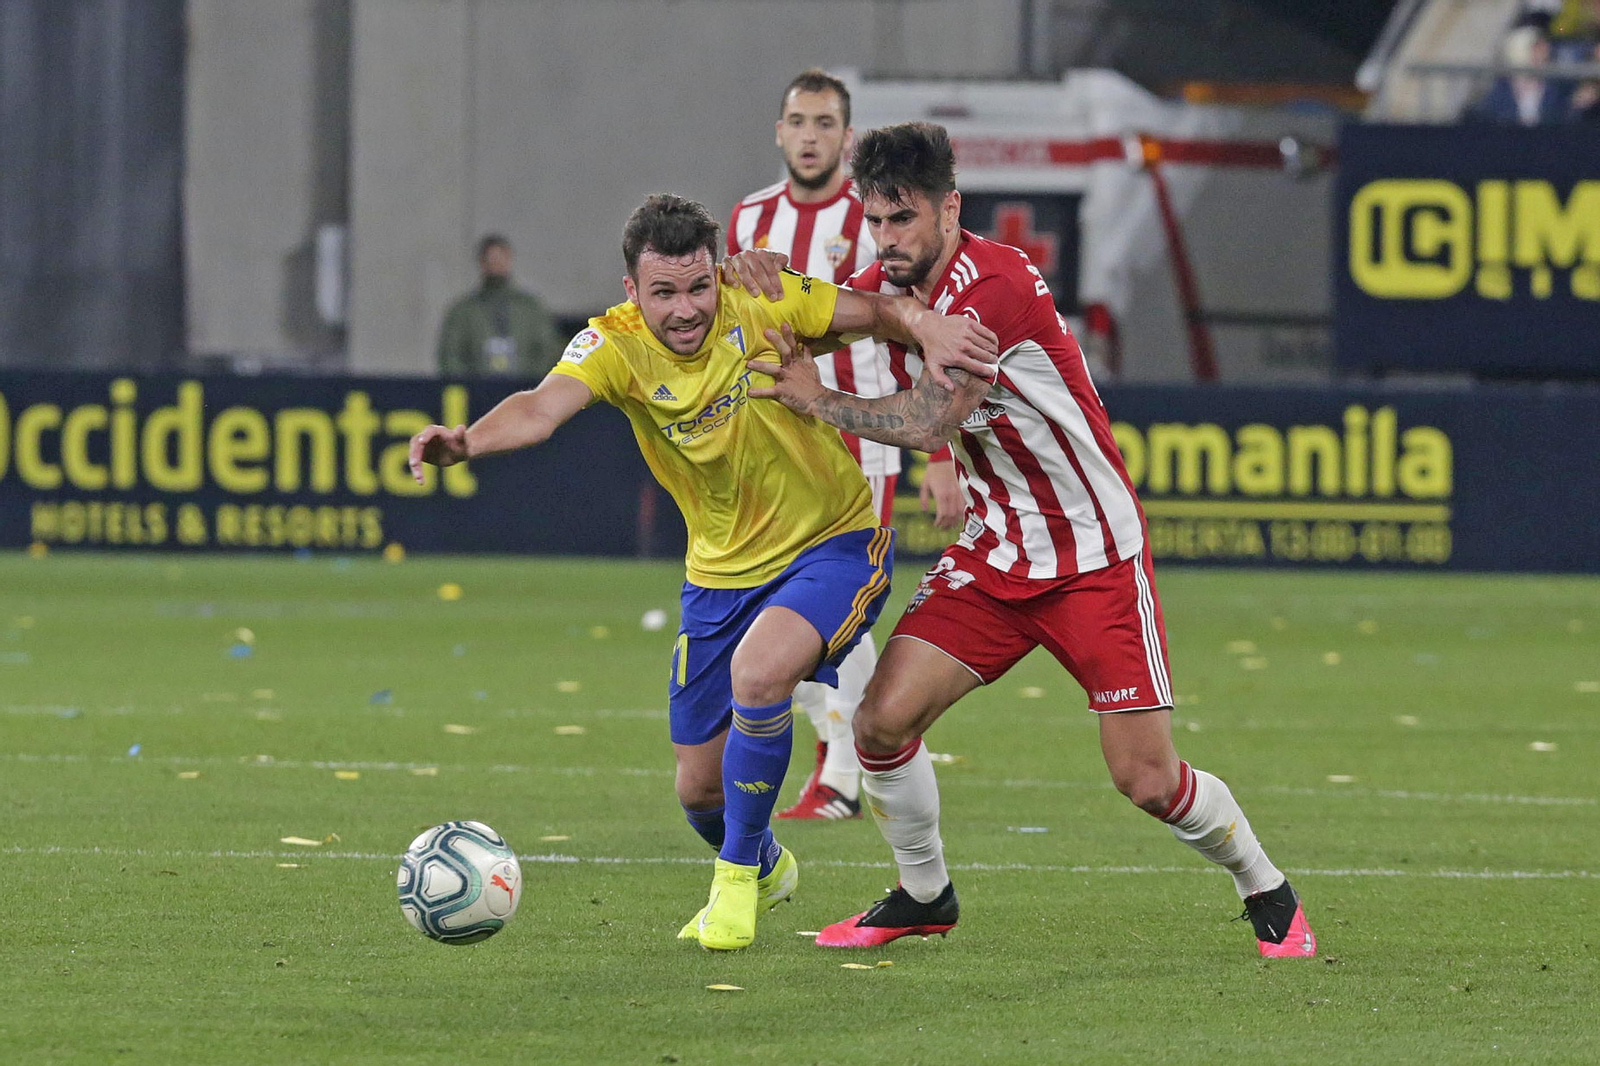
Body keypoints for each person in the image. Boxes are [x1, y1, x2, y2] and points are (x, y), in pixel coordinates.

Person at [733, 122, 1317, 959]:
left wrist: (815, 398)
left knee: (1146, 778)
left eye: (903, 219)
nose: (887, 238)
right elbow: (820, 317)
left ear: (949, 209)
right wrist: (756, 279)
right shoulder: (894, 282)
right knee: (880, 724)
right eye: (876, 220)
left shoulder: (993, 288)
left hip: (1091, 556)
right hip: (994, 551)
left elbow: (930, 421)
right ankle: (924, 895)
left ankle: (1266, 887)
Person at [408, 193, 997, 952]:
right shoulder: (614, 344)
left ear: (716, 274)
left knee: (761, 675)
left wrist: (930, 326)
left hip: (833, 543)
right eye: (663, 293)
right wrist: (468, 442)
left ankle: (734, 880)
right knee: (698, 790)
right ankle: (767, 866)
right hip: (718, 575)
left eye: (697, 287)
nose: (685, 309)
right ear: (632, 291)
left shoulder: (762, 297)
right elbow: (539, 407)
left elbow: (878, 312)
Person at [729, 69, 963, 821]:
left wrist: (941, 454)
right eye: (798, 121)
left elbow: (918, 328)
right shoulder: (750, 218)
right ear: (778, 131)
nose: (810, 136)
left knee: (834, 604)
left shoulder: (875, 219)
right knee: (777, 605)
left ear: (847, 137)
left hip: (860, 440)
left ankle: (840, 774)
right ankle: (839, 758)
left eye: (825, 123)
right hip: (775, 446)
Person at [436, 234, 563, 378]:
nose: (496, 263)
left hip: (525, 386)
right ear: (482, 262)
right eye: (491, 259)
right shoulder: (463, 311)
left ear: (509, 259)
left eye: (500, 258)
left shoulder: (530, 308)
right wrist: (468, 383)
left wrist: (532, 382)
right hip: (476, 387)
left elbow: (547, 350)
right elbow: (450, 354)